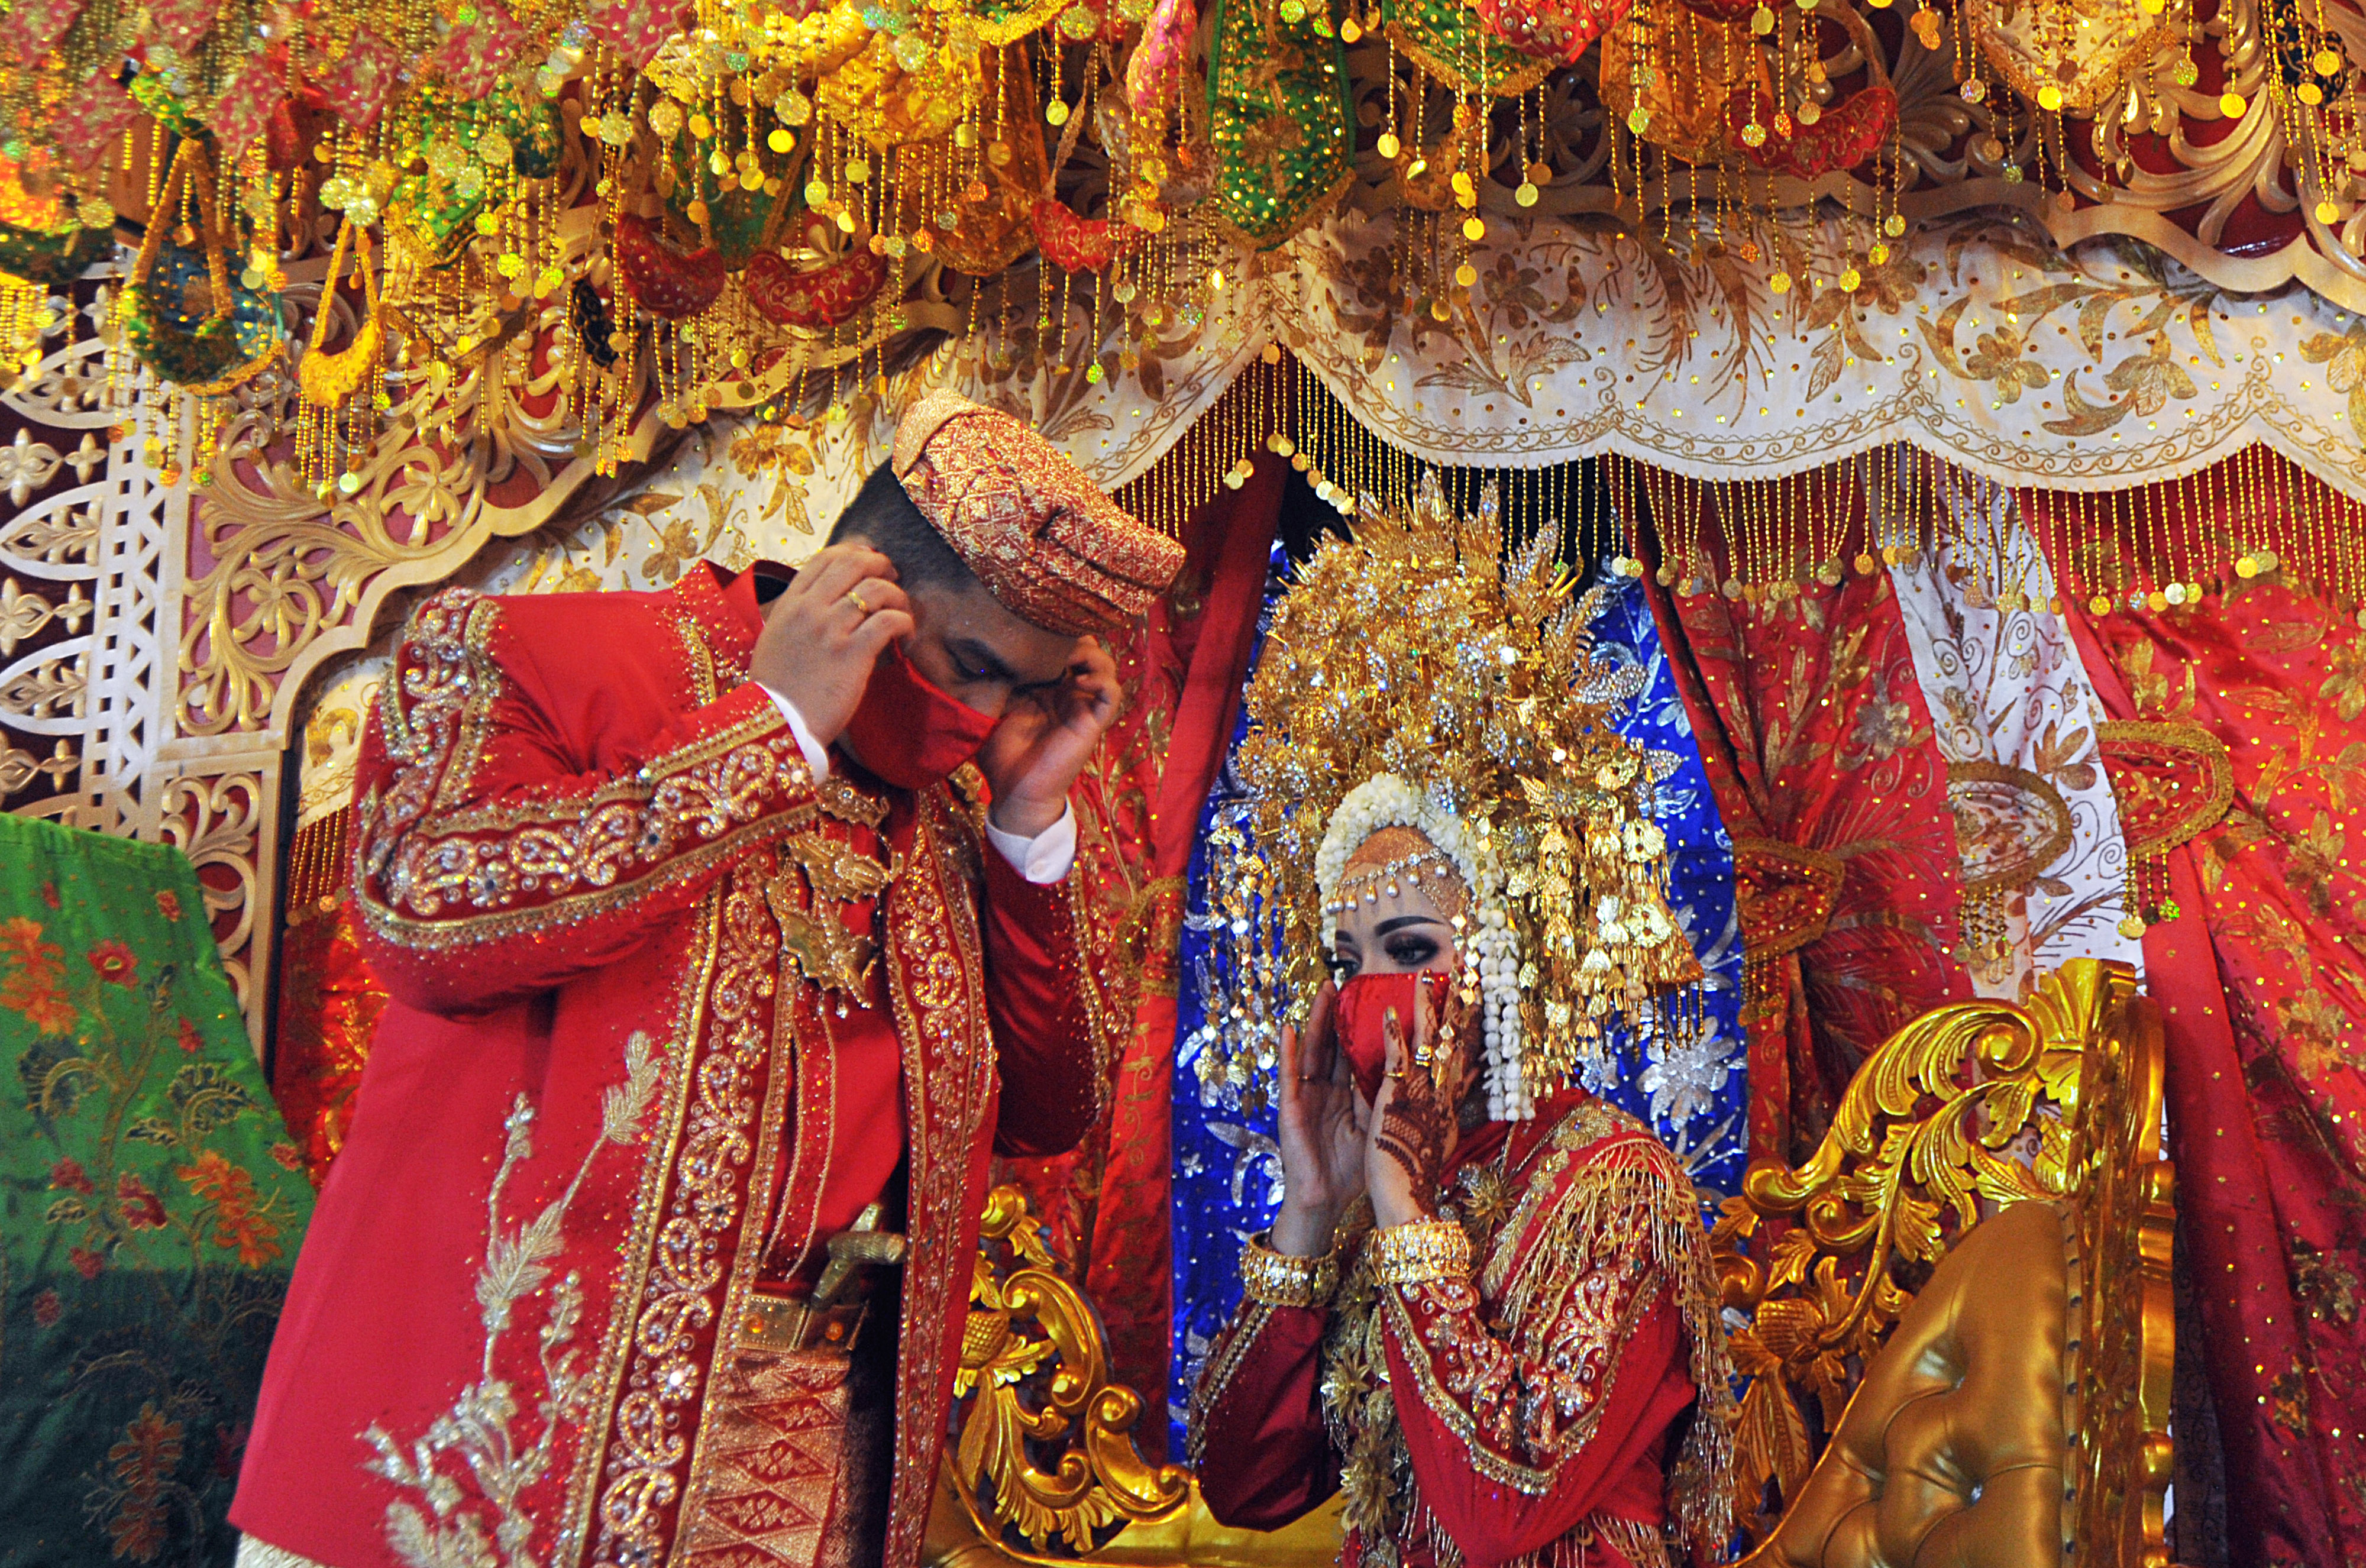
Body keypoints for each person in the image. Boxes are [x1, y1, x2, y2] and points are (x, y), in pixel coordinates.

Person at [230, 390, 1183, 1568]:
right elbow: (419, 917)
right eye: (971, 665)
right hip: (502, 1442)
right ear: (855, 587)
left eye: (1019, 691)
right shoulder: (526, 654)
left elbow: (1053, 1108)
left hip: (796, 1456)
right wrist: (766, 729)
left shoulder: (937, 816)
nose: (978, 717)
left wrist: (1028, 828)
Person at [1184, 477, 1735, 1568]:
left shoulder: (1611, 1184)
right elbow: (1244, 1485)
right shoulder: (1370, 1195)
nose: (1367, 998)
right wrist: (1309, 1213)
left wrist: (1406, 1215)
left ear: (1514, 957)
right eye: (1347, 963)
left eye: (1412, 951)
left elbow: (1501, 1512)